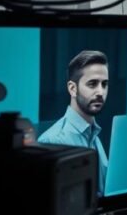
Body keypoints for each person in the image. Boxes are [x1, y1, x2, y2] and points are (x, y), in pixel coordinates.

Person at [38, 50, 110, 195]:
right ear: (72, 88)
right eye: (92, 84)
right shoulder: (52, 141)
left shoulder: (94, 135)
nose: (100, 92)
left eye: (104, 84)